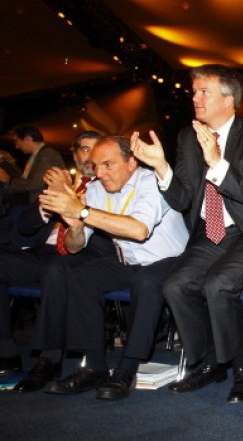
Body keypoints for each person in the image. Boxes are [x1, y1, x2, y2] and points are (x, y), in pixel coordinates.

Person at [130, 64, 243, 404]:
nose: (196, 98)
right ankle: (212, 361)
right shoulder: (188, 136)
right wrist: (161, 168)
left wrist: (218, 163)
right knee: (174, 285)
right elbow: (183, 198)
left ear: (229, 99)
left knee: (218, 284)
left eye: (205, 92)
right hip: (210, 232)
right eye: (195, 91)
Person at [39, 136, 189, 400]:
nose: (99, 173)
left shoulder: (151, 182)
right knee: (81, 277)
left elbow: (139, 230)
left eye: (108, 164)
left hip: (172, 261)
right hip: (129, 262)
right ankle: (94, 367)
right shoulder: (96, 189)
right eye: (95, 165)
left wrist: (83, 212)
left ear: (132, 162)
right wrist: (74, 223)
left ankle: (126, 369)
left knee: (146, 282)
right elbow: (74, 247)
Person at [0, 131, 114, 387]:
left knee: (56, 269)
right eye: (84, 149)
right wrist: (47, 205)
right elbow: (24, 226)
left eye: (96, 150)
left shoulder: (109, 185)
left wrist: (71, 200)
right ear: (74, 155)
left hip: (86, 255)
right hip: (42, 253)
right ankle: (6, 352)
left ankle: (49, 358)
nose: (90, 156)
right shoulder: (62, 184)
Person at [0, 125, 64, 206]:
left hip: (41, 206)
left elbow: (36, 183)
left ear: (28, 139)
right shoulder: (36, 156)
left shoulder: (47, 154)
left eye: (16, 141)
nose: (16, 146)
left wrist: (9, 180)